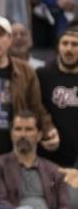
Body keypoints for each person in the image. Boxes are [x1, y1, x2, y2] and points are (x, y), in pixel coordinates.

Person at [0, 16, 58, 158]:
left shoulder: (26, 70)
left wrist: (49, 129)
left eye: (1, 35)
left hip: (14, 148)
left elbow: (36, 107)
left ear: (10, 40)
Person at [37, 23, 78, 168]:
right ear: (58, 47)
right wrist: (46, 128)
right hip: (48, 156)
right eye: (65, 43)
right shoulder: (43, 74)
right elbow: (36, 106)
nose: (69, 49)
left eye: (74, 44)